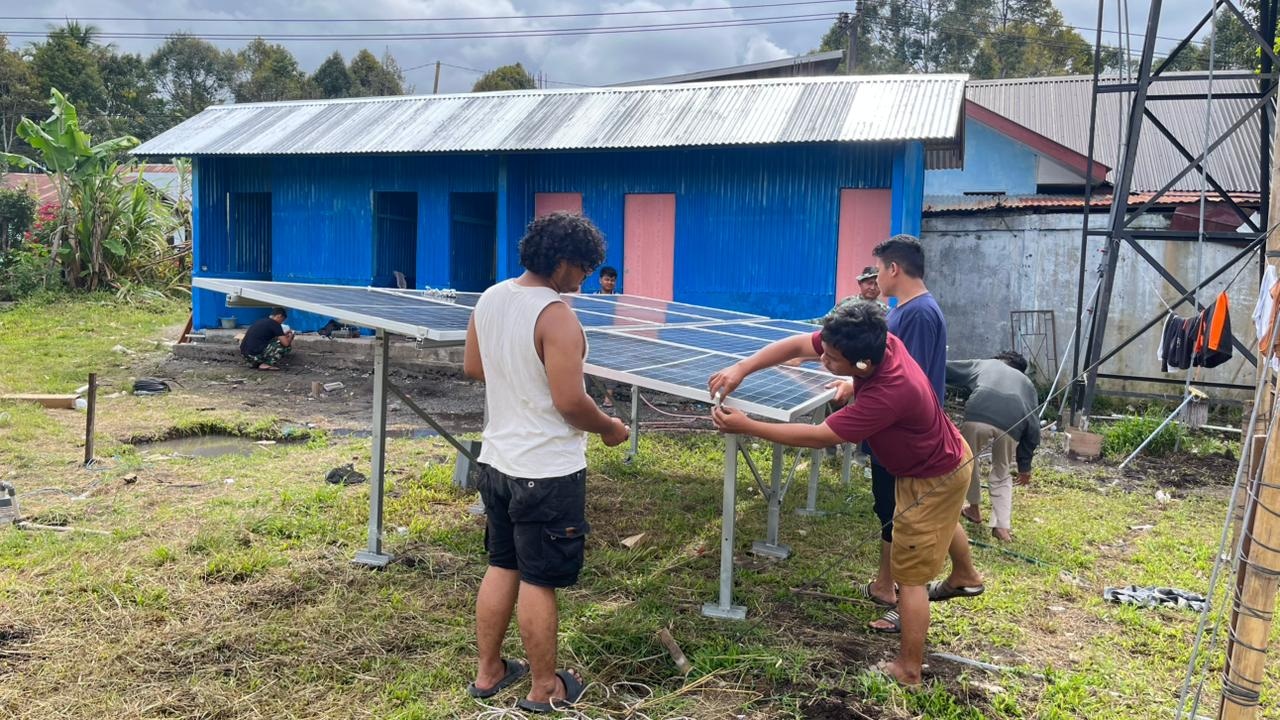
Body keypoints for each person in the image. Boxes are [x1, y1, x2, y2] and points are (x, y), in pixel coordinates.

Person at [708, 300, 982, 686]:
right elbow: (798, 345)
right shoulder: (875, 342)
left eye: (833, 359)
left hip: (931, 478)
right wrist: (742, 367)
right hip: (948, 457)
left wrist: (749, 426)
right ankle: (966, 575)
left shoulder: (889, 393)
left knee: (911, 579)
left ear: (863, 364)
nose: (823, 361)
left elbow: (821, 437)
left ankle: (908, 669)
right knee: (942, 520)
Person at [463, 212, 630, 713]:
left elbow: (474, 366)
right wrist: (609, 428)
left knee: (501, 564)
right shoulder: (556, 315)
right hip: (546, 470)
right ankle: (544, 689)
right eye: (582, 268)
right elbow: (570, 402)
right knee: (539, 579)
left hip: (496, 461)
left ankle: (489, 672)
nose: (583, 279)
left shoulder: (491, 297)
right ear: (561, 262)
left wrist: (519, 384)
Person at [860, 234, 948, 631]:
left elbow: (907, 382)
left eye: (879, 269)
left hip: (905, 439)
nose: (876, 277)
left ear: (894, 268)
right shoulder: (908, 311)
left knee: (907, 519)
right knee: (889, 511)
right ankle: (885, 584)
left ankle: (903, 596)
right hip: (892, 437)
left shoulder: (917, 315)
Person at [946, 351, 1040, 542]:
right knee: (1001, 472)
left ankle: (973, 509)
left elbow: (946, 368)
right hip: (1013, 422)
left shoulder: (986, 363)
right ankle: (1001, 527)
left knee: (968, 463)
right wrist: (1025, 466)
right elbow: (1033, 426)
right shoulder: (1027, 384)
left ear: (1000, 360)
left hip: (979, 412)